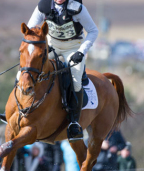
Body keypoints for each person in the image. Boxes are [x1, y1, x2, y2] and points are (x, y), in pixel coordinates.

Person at [23, 0, 98, 143]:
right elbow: (30, 28)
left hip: (73, 46)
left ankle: (74, 122)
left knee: (76, 79)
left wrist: (81, 51)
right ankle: (16, 109)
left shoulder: (77, 9)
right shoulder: (43, 6)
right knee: (28, 68)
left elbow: (94, 31)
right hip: (51, 45)